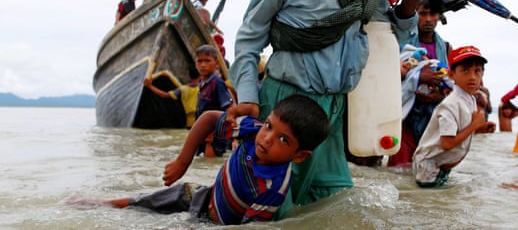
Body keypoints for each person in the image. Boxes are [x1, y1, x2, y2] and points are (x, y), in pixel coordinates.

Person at [228, 0, 424, 214]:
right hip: (287, 104)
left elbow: (387, 34)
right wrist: (246, 96)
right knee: (271, 210)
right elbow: (250, 33)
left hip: (334, 111)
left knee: (335, 206)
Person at [79, 95, 330, 225]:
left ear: (299, 156)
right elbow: (210, 118)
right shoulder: (252, 131)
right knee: (147, 201)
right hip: (204, 196)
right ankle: (104, 203)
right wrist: (183, 161)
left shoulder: (273, 190)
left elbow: (249, 227)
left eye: (283, 139)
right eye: (269, 126)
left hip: (217, 224)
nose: (267, 138)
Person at [412, 45, 495, 187]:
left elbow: (461, 129)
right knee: (428, 202)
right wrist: (474, 125)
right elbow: (447, 143)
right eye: (465, 70)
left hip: (442, 164)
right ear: (451, 75)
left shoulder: (470, 100)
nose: (472, 77)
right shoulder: (450, 105)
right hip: (429, 166)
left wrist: (480, 127)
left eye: (477, 71)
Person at [388, 0, 452, 167]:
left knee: (428, 169)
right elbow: (387, 74)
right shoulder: (401, 44)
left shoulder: (445, 47)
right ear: (415, 14)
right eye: (423, 14)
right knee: (400, 168)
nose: (428, 19)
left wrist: (438, 96)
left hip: (432, 118)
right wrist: (418, 77)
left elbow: (452, 83)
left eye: (433, 14)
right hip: (405, 117)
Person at [147, 44, 235, 157]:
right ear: (195, 64)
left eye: (207, 61)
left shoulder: (217, 83)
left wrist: (215, 134)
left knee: (210, 162)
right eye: (200, 61)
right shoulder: (203, 85)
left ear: (217, 64)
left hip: (212, 137)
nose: (203, 65)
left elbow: (229, 109)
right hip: (201, 134)